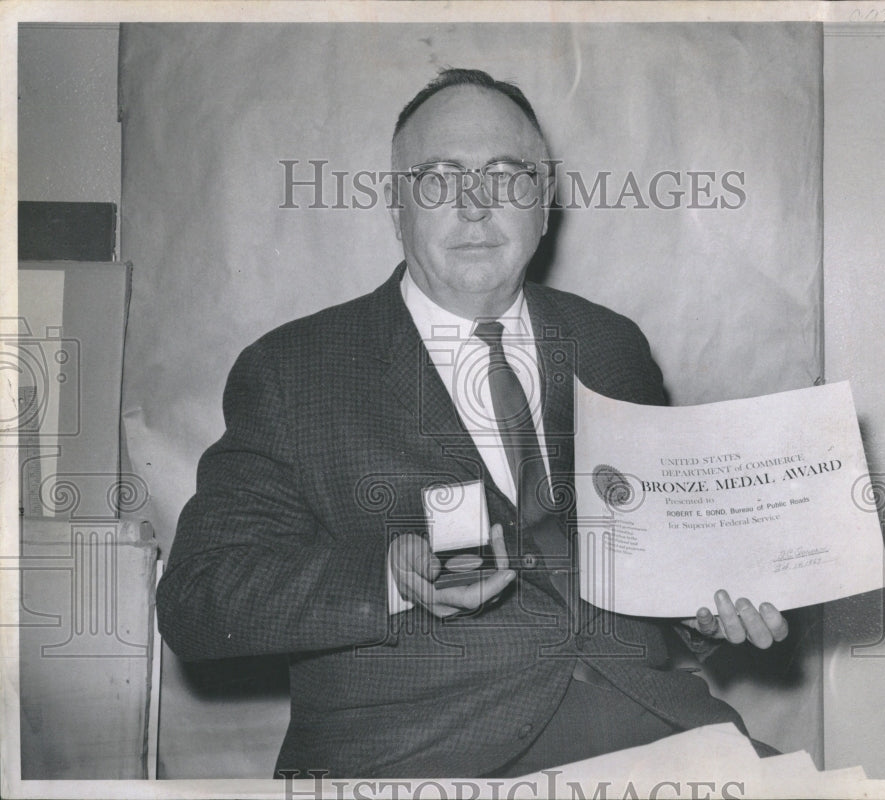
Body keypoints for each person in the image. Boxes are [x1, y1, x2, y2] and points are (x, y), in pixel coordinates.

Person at [157, 67, 789, 779]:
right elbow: (197, 601)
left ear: (544, 203)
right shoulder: (293, 370)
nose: (476, 205)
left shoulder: (610, 346)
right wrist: (387, 576)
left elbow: (654, 557)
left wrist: (701, 610)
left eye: (507, 175)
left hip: (651, 726)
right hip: (420, 756)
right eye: (439, 178)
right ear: (396, 205)